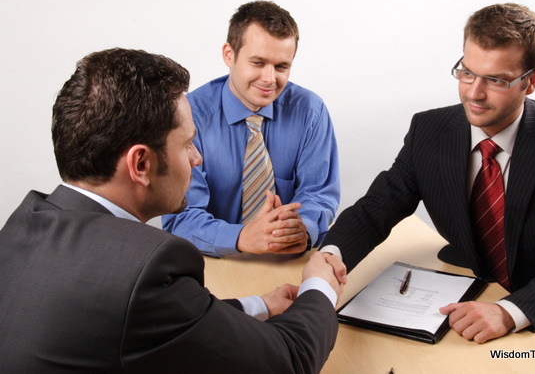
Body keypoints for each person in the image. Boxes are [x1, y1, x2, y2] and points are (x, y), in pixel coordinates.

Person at [0, 48, 345, 373]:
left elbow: (155, 321)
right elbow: (289, 361)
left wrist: (259, 306)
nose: (197, 158)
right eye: (188, 143)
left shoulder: (21, 224)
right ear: (141, 163)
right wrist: (319, 286)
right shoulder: (145, 267)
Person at [320, 3, 535, 363]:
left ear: (532, 81)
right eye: (467, 73)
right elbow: (376, 208)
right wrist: (329, 258)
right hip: (467, 291)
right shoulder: (429, 130)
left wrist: (509, 311)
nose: (474, 93)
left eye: (496, 80)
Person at [162, 0, 340, 258]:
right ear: (229, 54)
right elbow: (180, 216)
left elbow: (319, 195)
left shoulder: (310, 112)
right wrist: (242, 237)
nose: (269, 79)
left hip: (284, 259)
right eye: (258, 63)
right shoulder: (189, 118)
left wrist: (302, 229)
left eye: (281, 67)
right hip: (214, 261)